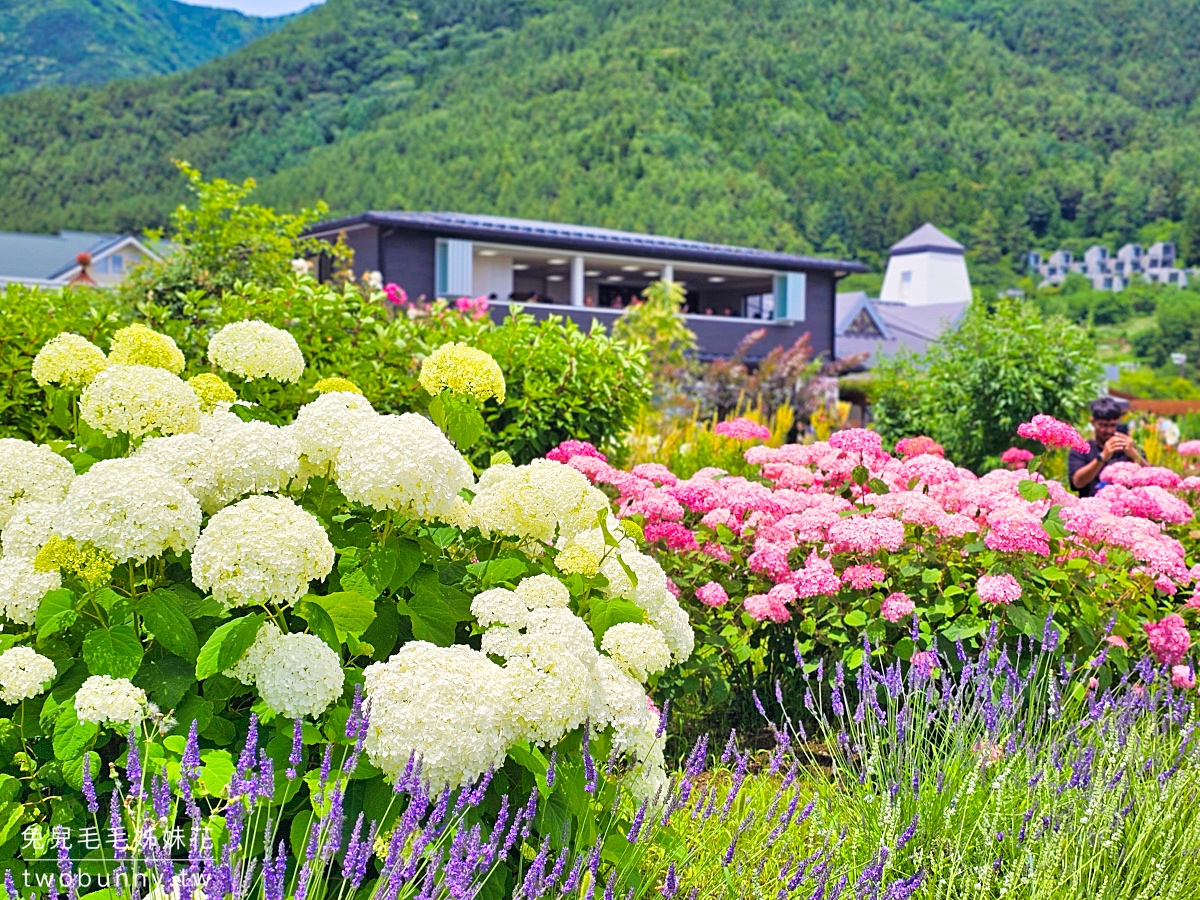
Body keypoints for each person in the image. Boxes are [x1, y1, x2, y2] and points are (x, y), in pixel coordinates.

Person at [1068, 397, 1144, 497]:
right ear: (1092, 422)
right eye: (1103, 425)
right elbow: (1077, 483)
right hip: (1091, 508)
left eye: (1113, 425)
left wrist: (1134, 454)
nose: (1109, 430)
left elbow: (1151, 477)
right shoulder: (1081, 449)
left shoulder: (1128, 447)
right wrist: (1102, 457)